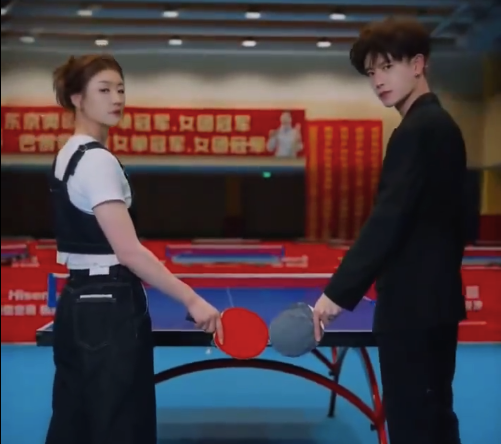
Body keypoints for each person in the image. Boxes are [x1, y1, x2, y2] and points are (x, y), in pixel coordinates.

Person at [45, 54, 224, 444]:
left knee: (74, 422)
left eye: (121, 89)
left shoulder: (67, 154)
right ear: (77, 98)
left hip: (76, 302)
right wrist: (192, 299)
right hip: (110, 307)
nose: (117, 98)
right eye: (104, 90)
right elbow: (129, 252)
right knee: (121, 425)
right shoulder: (97, 162)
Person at [311, 18, 467, 444]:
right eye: (371, 72)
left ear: (417, 65)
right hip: (433, 302)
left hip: (414, 309)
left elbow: (388, 218)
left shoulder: (421, 129)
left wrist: (335, 295)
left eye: (387, 67)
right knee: (435, 420)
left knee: (416, 425)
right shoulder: (437, 125)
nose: (378, 80)